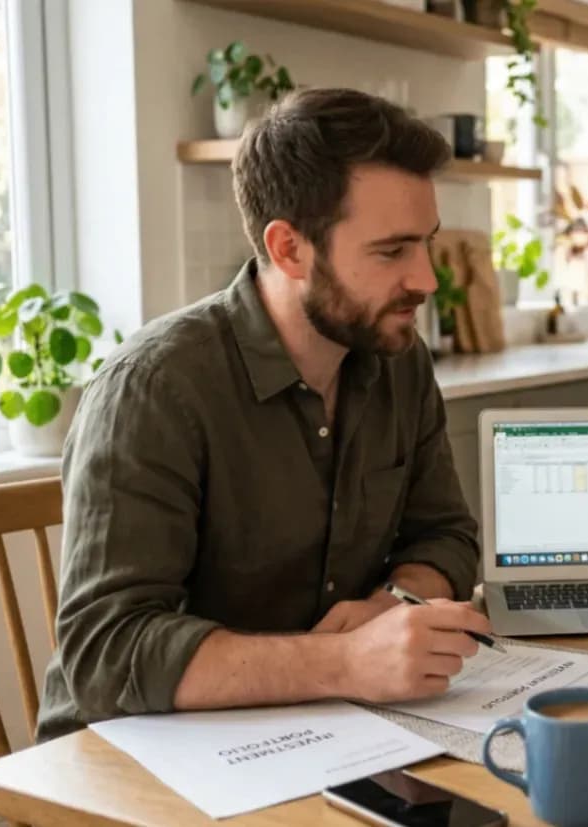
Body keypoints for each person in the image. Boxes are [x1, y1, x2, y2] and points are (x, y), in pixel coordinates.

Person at [36, 88, 491, 741]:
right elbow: (107, 654)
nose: (426, 279)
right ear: (289, 249)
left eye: (427, 243)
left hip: (322, 728)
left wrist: (393, 605)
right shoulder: (155, 390)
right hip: (135, 753)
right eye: (392, 252)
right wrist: (344, 662)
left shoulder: (398, 359)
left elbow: (445, 535)